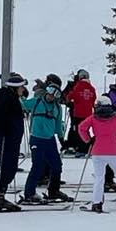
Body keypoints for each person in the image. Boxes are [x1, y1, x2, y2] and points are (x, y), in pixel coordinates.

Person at [20, 75, 71, 204]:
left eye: (56, 94)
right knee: (38, 166)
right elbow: (22, 104)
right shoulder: (37, 101)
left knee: (57, 165)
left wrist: (61, 139)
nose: (52, 96)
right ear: (47, 91)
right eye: (51, 92)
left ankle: (54, 190)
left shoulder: (57, 108)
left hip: (50, 140)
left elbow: (58, 125)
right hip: (37, 139)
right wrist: (20, 95)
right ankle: (29, 193)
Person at [78, 96, 116, 212]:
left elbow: (81, 127)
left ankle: (97, 203)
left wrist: (88, 140)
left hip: (98, 151)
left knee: (99, 178)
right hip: (114, 151)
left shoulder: (93, 117)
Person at [0, 72, 28, 212]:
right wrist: (3, 131)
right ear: (16, 88)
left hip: (12, 138)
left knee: (10, 167)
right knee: (7, 168)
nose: (23, 89)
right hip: (7, 138)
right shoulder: (7, 98)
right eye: (21, 87)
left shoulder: (11, 98)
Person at [64, 68, 96, 153]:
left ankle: (80, 148)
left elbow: (70, 96)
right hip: (88, 114)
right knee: (86, 130)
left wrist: (68, 100)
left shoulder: (78, 86)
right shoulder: (92, 88)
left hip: (78, 114)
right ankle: (87, 146)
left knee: (78, 131)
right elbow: (94, 101)